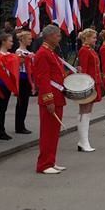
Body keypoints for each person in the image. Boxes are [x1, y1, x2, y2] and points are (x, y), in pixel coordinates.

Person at [33, 25, 68, 174]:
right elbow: (43, 79)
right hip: (51, 97)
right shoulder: (43, 54)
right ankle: (44, 164)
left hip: (57, 96)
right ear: (50, 36)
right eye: (58, 35)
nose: (59, 38)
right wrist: (48, 100)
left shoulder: (50, 52)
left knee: (54, 132)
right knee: (48, 133)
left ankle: (51, 161)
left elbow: (57, 74)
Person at [76, 29, 101, 152]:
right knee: (84, 110)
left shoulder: (91, 50)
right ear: (86, 38)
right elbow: (84, 69)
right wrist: (85, 84)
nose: (95, 40)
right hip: (87, 83)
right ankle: (83, 140)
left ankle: (84, 140)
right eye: (93, 38)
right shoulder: (84, 51)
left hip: (93, 82)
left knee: (88, 110)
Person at [0, 32, 15, 141]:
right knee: (0, 107)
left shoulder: (10, 55)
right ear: (3, 42)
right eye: (10, 41)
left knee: (3, 107)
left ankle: (1, 129)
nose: (12, 43)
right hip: (1, 83)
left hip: (8, 83)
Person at [13, 30, 34, 134]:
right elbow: (18, 62)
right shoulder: (19, 51)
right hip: (21, 78)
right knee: (21, 102)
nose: (31, 40)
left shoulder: (28, 52)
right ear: (23, 39)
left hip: (27, 78)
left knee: (25, 102)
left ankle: (21, 124)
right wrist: (27, 58)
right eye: (29, 39)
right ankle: (19, 126)